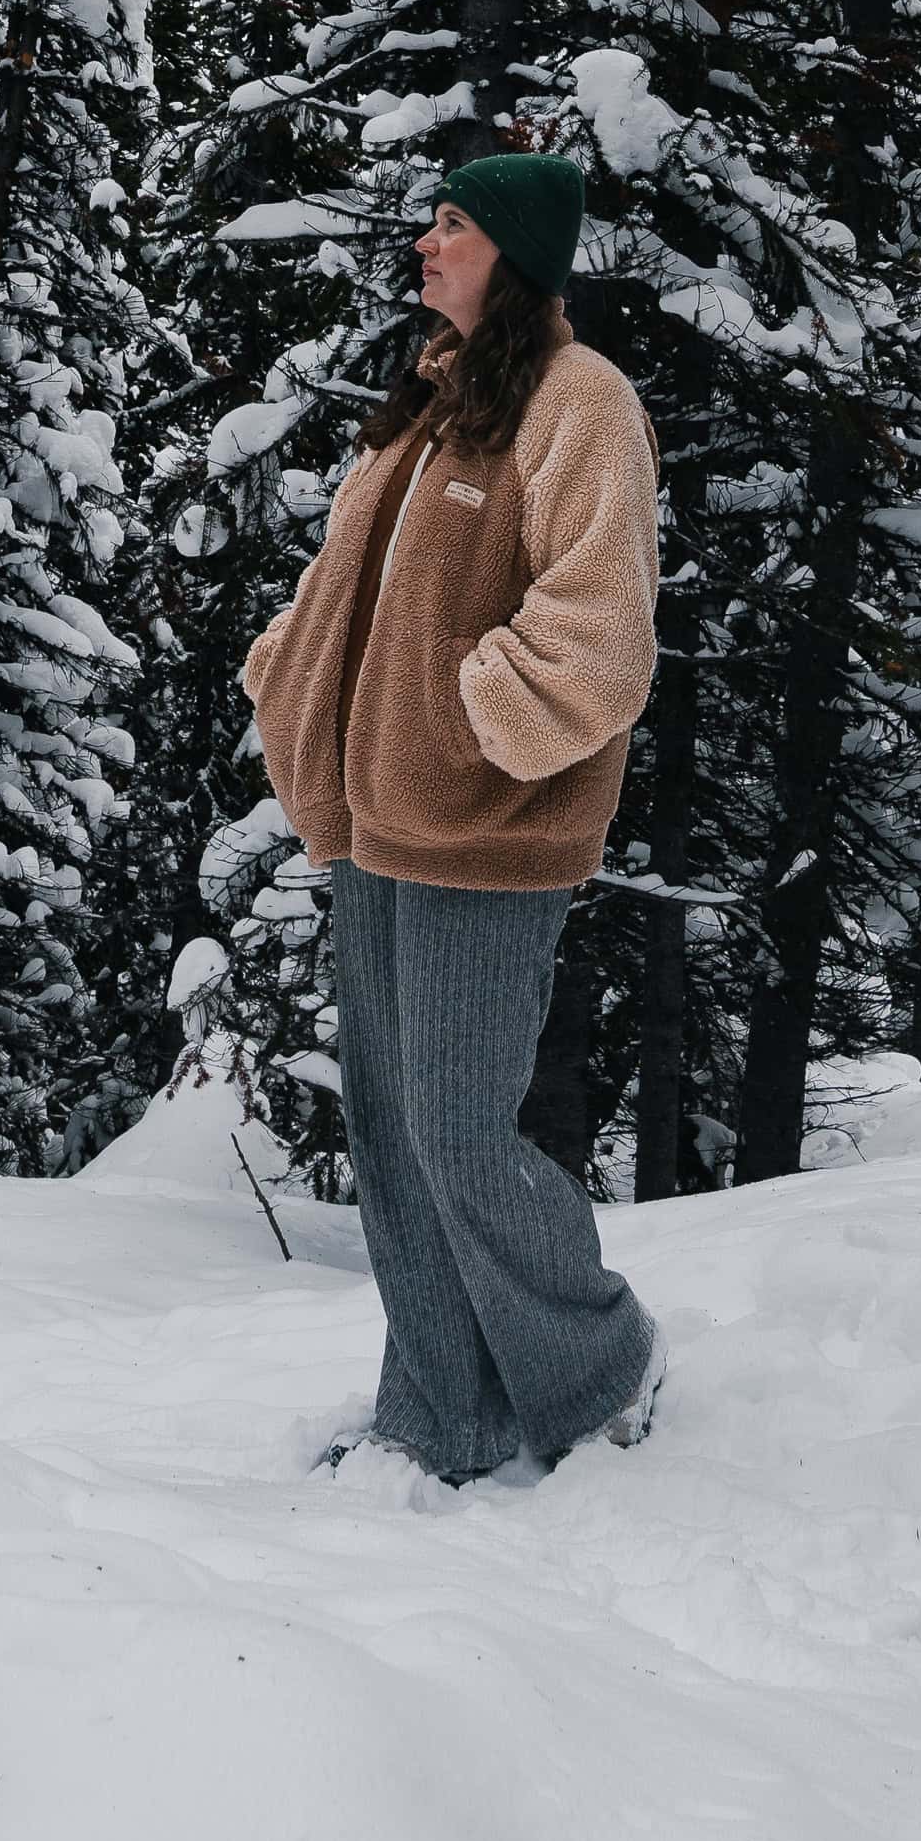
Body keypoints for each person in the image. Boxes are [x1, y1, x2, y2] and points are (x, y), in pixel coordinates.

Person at [241, 151, 668, 1484]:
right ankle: (439, 1416)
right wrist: (289, 676)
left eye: (452, 227)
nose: (425, 246)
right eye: (428, 224)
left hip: (486, 827)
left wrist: (466, 719)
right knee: (388, 1130)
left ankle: (597, 1366)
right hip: (378, 822)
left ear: (516, 255)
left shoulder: (579, 401)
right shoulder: (436, 402)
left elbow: (599, 632)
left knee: (460, 1133)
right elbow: (348, 591)